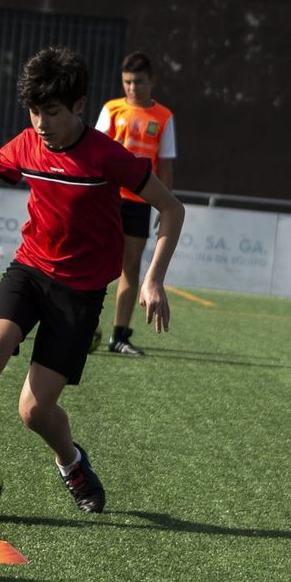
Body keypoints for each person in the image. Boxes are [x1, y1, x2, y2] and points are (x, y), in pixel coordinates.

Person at [0, 46, 185, 514]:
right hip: (29, 271)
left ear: (78, 107)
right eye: (33, 112)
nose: (41, 123)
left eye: (51, 112)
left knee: (33, 411)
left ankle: (70, 461)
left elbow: (172, 208)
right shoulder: (26, 144)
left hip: (80, 292)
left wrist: (153, 279)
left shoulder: (107, 157)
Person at [95, 51, 178, 355]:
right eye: (127, 82)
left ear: (151, 81)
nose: (132, 88)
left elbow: (165, 164)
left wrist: (163, 203)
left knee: (130, 266)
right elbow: (93, 152)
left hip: (139, 202)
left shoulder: (164, 117)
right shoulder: (111, 109)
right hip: (106, 196)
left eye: (138, 82)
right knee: (95, 260)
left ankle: (119, 336)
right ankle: (80, 323)